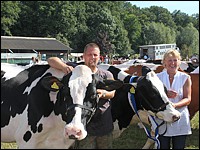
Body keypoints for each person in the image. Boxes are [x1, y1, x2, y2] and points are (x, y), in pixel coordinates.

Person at [47, 43, 116, 149]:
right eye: (89, 54)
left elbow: (113, 92)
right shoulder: (76, 71)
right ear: (84, 56)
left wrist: (103, 93)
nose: (93, 57)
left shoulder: (105, 74)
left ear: (99, 56)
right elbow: (51, 60)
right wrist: (64, 67)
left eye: (95, 55)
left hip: (103, 123)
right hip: (83, 123)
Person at [155, 49, 192, 149]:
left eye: (175, 60)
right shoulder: (157, 78)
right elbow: (153, 97)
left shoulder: (185, 77)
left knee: (179, 147)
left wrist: (174, 105)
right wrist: (166, 93)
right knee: (163, 146)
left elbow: (187, 99)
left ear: (179, 62)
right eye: (169, 60)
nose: (173, 63)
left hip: (180, 117)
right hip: (162, 118)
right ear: (164, 63)